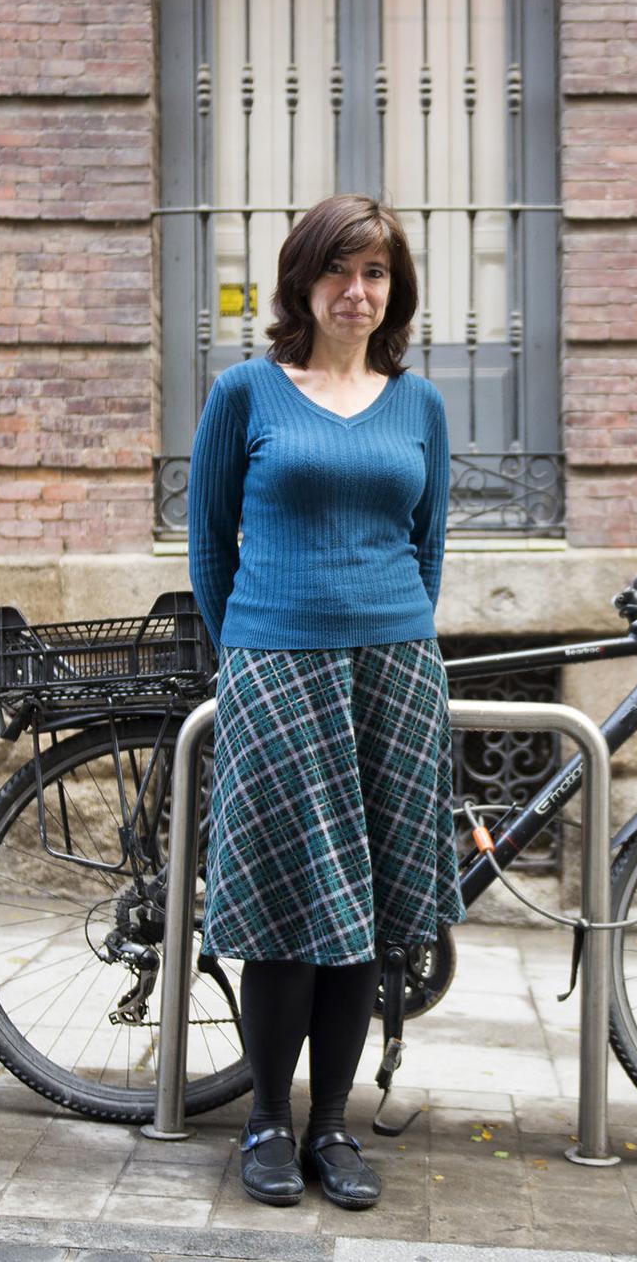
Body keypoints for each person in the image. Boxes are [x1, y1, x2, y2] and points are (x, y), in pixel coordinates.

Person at [186, 194, 460, 1211]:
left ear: (394, 291)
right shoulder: (248, 393)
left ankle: (333, 1126)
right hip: (277, 668)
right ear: (301, 283)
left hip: (394, 670)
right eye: (338, 272)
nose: (357, 292)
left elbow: (428, 546)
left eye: (376, 274)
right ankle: (266, 1119)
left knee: (370, 912)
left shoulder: (418, 404)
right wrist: (255, 640)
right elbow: (210, 543)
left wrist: (387, 630)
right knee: (291, 910)